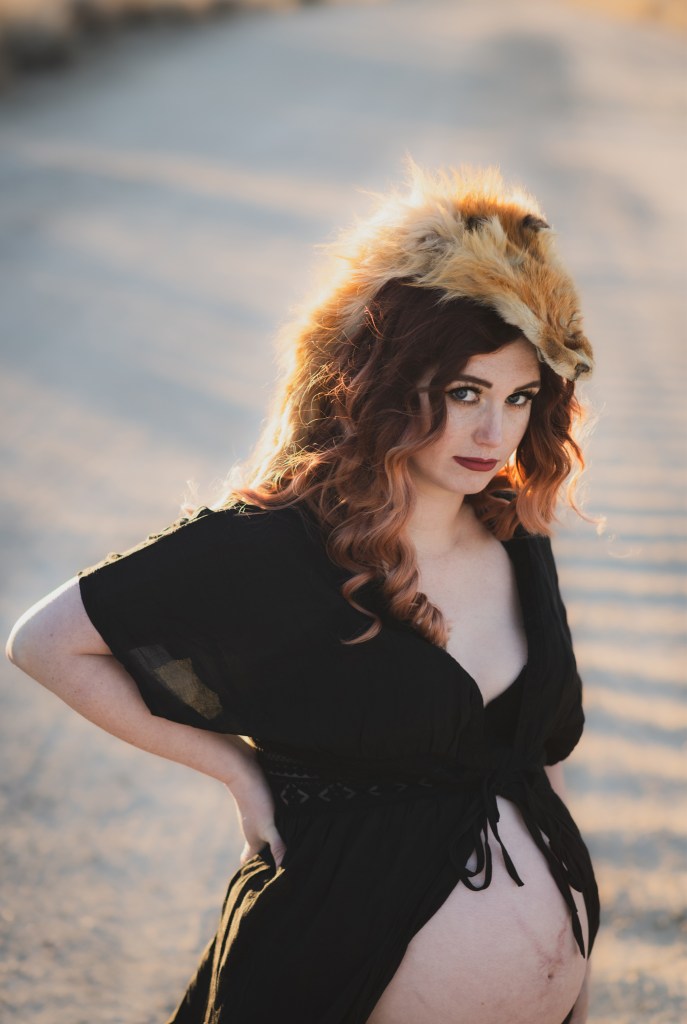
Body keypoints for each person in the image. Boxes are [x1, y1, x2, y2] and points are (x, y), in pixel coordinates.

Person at [6, 165, 600, 1024]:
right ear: (391, 378)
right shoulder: (277, 545)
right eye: (464, 392)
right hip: (324, 973)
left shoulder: (516, 533)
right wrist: (235, 770)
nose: (492, 433)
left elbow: (524, 771)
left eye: (518, 398)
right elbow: (43, 642)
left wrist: (568, 973)